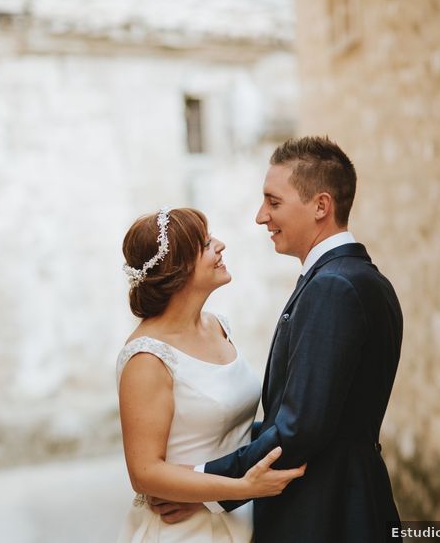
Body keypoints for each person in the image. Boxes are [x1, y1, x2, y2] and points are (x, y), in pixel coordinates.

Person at [151, 136, 404, 542]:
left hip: (326, 513)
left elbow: (300, 428)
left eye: (273, 202)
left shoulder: (333, 287)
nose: (260, 217)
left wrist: (208, 486)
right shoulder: (363, 278)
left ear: (321, 206)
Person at [115, 207, 306, 542]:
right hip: (184, 531)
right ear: (178, 269)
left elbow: (237, 430)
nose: (220, 245)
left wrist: (220, 498)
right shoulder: (147, 358)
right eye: (205, 244)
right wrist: (238, 488)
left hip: (236, 519)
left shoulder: (218, 326)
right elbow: (144, 473)